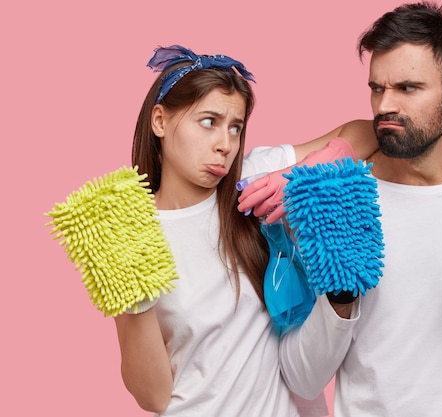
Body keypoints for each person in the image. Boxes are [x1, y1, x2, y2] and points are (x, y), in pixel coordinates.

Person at [238, 2, 442, 416]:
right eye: (377, 88)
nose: (384, 106)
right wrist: (341, 298)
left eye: (408, 88)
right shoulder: (340, 199)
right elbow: (303, 378)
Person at [113, 45, 376, 416]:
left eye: (235, 127)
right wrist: (133, 292)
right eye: (208, 122)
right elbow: (153, 396)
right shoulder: (133, 233)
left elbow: (368, 133)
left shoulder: (253, 181)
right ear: (160, 121)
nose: (225, 145)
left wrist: (302, 173)